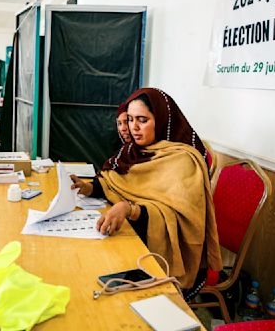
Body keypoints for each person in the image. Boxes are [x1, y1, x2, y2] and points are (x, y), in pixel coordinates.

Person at [72, 87, 222, 291]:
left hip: (160, 255)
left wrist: (129, 209)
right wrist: (89, 188)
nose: (134, 127)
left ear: (161, 120)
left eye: (142, 120)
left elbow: (178, 220)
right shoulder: (134, 150)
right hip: (131, 234)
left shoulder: (183, 161)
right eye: (130, 119)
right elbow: (115, 180)